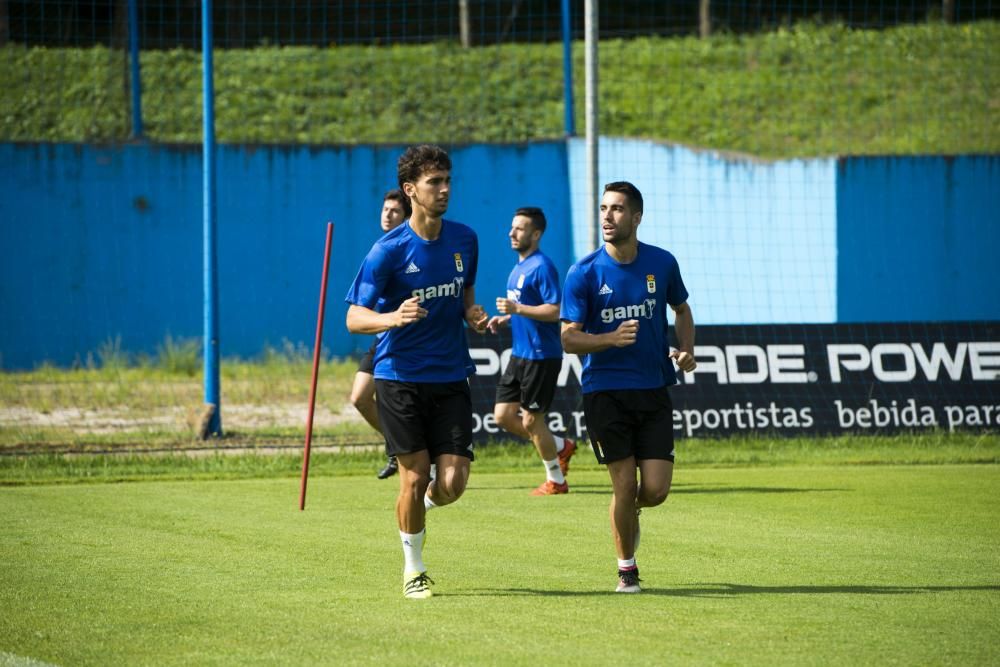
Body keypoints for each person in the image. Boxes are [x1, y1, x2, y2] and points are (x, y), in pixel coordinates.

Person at [345, 144, 488, 599]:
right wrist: (392, 318)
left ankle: (422, 506)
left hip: (450, 376)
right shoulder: (386, 252)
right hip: (399, 376)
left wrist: (474, 316)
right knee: (413, 473)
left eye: (448, 181)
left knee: (452, 484)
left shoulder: (465, 239)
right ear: (411, 190)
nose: (445, 190)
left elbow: (465, 296)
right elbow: (353, 318)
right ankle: (414, 569)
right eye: (434, 183)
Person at [560, 181, 696, 594]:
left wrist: (686, 349)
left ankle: (627, 513)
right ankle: (627, 570)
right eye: (603, 208)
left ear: (636, 217)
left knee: (653, 490)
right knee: (623, 484)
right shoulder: (583, 272)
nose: (607, 216)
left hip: (654, 388)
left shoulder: (662, 263)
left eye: (617, 209)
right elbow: (568, 338)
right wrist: (608, 339)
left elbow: (682, 309)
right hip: (605, 392)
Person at [486, 207, 577, 495]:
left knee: (531, 420)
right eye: (512, 228)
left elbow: (556, 310)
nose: (512, 233)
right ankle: (561, 445)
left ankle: (556, 481)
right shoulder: (517, 269)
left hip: (542, 355)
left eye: (520, 228)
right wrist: (506, 318)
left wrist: (518, 309)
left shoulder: (542, 266)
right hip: (520, 354)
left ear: (536, 234)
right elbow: (526, 310)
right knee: (502, 416)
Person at [348, 189, 411, 480]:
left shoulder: (411, 247)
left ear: (407, 215)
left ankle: (410, 450)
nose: (387, 215)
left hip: (409, 341)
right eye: (385, 209)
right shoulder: (381, 250)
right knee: (359, 398)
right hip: (383, 333)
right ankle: (399, 448)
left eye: (394, 211)